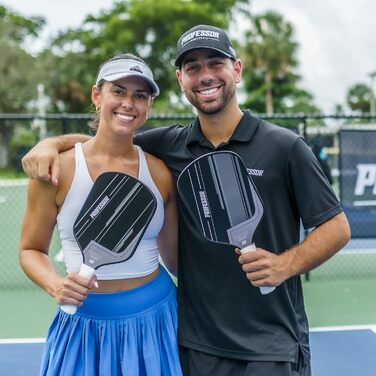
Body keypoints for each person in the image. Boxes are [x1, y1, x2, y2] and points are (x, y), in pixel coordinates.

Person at [22, 25, 351, 376]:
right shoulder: (170, 148)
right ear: (181, 79)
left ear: (236, 70)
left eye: (215, 63)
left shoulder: (285, 147)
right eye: (193, 67)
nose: (205, 75)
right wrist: (51, 144)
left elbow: (337, 227)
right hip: (195, 344)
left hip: (269, 344)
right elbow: (111, 142)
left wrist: (285, 266)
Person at [19, 53, 182, 376]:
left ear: (148, 106)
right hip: (82, 323)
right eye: (118, 91)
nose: (129, 103)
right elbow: (30, 250)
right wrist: (56, 285)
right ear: (97, 95)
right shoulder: (56, 170)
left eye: (140, 95)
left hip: (157, 319)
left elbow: (177, 261)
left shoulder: (161, 174)